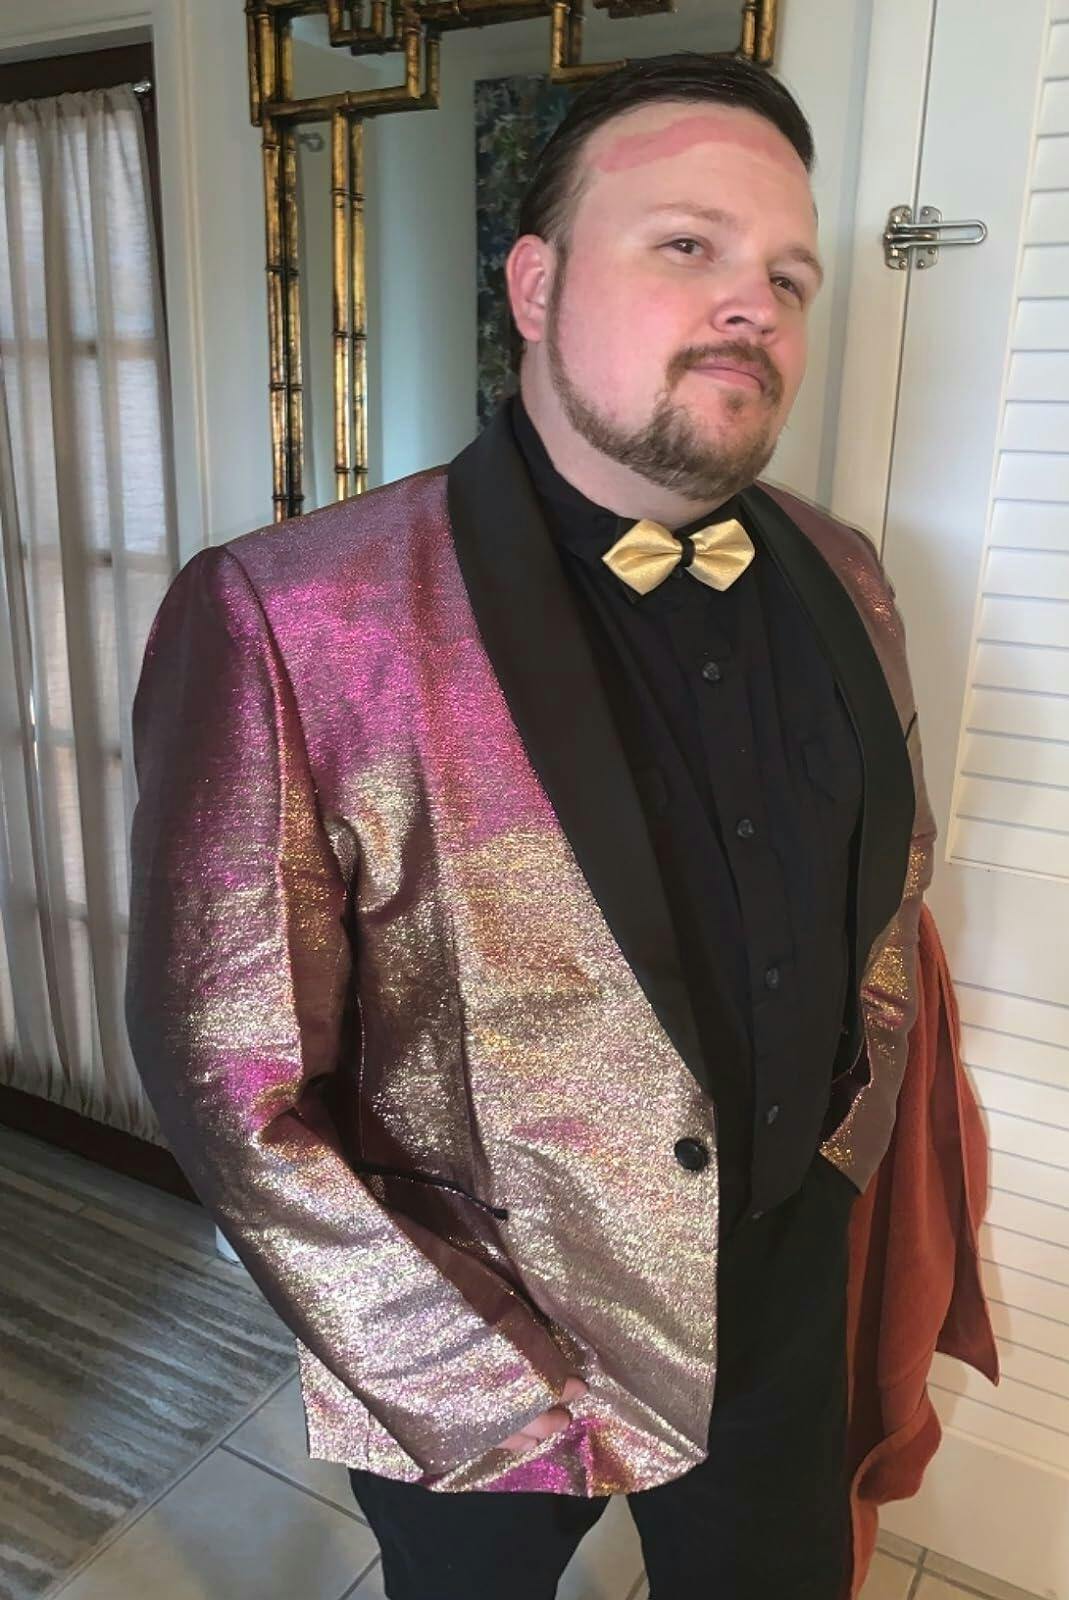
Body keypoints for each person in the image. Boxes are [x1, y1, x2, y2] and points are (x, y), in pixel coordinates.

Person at [125, 49, 934, 1600]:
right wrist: (473, 1383)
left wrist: (840, 1165)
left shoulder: (850, 576)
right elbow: (227, 1077)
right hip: (469, 1323)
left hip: (779, 1281)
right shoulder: (285, 615)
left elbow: (891, 894)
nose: (754, 304)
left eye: (788, 275)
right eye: (687, 244)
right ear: (537, 284)